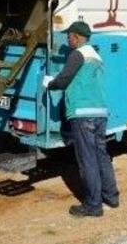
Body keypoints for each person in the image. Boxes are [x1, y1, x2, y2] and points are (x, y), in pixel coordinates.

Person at [44, 21, 119, 217]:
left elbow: (63, 80)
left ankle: (93, 205)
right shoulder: (96, 56)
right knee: (101, 155)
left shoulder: (77, 55)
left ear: (77, 37)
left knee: (87, 159)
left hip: (83, 114)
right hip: (100, 114)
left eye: (69, 36)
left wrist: (49, 84)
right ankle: (111, 196)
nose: (67, 39)